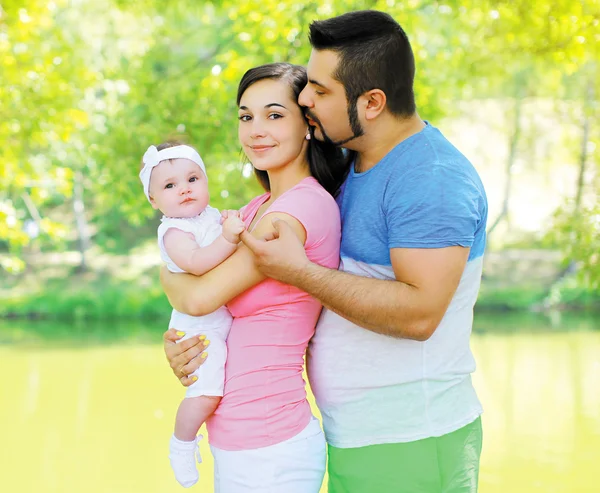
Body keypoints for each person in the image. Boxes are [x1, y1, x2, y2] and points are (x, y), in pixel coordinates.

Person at [165, 10, 489, 493]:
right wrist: (191, 343)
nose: (307, 101)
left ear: (373, 102)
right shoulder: (351, 172)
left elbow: (420, 314)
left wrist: (298, 273)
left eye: (320, 91)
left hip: (414, 440)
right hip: (352, 437)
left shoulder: (431, 179)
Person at [161, 62, 349, 492]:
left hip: (271, 445)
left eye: (274, 114)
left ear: (308, 124)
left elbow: (197, 296)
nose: (256, 130)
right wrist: (182, 347)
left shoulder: (294, 212)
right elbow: (196, 300)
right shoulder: (254, 209)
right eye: (246, 116)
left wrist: (167, 275)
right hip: (239, 442)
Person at [139, 142, 245, 487]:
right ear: (154, 200)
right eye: (169, 186)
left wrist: (228, 221)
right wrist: (231, 238)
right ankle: (182, 444)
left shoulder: (211, 216)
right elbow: (198, 263)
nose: (184, 188)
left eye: (192, 178)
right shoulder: (174, 232)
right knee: (206, 394)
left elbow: (222, 231)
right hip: (199, 329)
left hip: (218, 319)